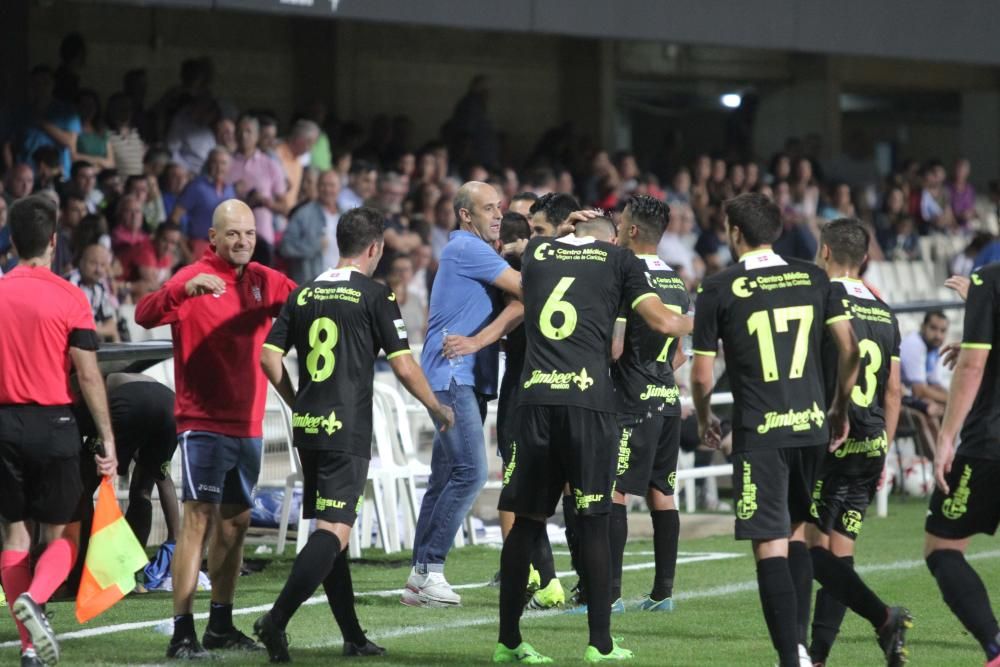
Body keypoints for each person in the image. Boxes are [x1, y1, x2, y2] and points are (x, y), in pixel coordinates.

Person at [252, 206, 455, 662]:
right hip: (346, 428)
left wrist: (296, 401)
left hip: (308, 428)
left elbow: (269, 359)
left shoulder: (302, 293)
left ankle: (352, 636)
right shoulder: (376, 295)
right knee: (334, 531)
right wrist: (434, 405)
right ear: (375, 248)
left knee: (331, 531)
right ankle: (276, 620)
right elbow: (403, 364)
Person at [495, 211, 691, 663]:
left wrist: (564, 228)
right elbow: (661, 321)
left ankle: (507, 641)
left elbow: (546, 245)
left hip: (535, 400)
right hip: (588, 402)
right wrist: (711, 322)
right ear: (610, 238)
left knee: (525, 523)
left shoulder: (540, 253)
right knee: (595, 520)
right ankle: (600, 642)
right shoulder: (620, 260)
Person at [690, 192, 860, 667]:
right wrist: (838, 407)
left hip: (760, 433)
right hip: (810, 427)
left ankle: (791, 658)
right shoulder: (814, 276)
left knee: (769, 544)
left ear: (735, 233)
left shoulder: (718, 288)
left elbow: (702, 376)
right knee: (800, 532)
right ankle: (802, 649)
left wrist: (706, 421)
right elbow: (851, 350)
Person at [135, 199, 295, 659]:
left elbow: (303, 306)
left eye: (248, 233)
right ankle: (181, 631)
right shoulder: (191, 277)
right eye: (232, 234)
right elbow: (144, 314)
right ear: (213, 238)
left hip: (248, 423)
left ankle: (220, 625)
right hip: (203, 422)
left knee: (236, 524)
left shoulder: (267, 281)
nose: (242, 241)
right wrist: (181, 294)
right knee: (197, 522)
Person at [0, 194, 117, 667]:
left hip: (3, 424)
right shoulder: (71, 296)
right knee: (62, 537)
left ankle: (30, 647)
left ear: (11, 241)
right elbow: (88, 374)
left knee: (14, 537)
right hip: (55, 425)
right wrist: (107, 437)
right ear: (53, 242)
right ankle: (40, 600)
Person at [402, 181, 522, 607]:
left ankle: (419, 577)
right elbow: (530, 292)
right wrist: (480, 341)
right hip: (455, 375)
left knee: (443, 479)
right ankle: (431, 569)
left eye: (500, 208)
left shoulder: (476, 252)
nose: (497, 216)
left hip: (455, 375)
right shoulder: (467, 250)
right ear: (465, 216)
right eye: (488, 209)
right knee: (471, 472)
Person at [806, 218, 911, 666]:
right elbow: (893, 391)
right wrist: (884, 446)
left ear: (825, 252)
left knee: (803, 546)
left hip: (831, 439)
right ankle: (819, 655)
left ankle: (884, 617)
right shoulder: (884, 310)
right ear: (864, 258)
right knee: (840, 553)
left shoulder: (823, 298)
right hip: (870, 444)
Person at [608, 195, 691, 614]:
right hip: (667, 397)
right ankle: (663, 594)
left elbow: (617, 346)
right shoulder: (676, 281)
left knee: (616, 490)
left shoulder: (628, 273)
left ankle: (610, 597)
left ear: (634, 231)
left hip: (632, 399)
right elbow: (680, 353)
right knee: (662, 491)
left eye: (621, 224)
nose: (617, 230)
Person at [924, 262, 1000, 667]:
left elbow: (972, 367)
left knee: (943, 548)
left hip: (989, 443)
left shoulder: (990, 279)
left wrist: (944, 437)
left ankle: (995, 647)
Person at [228, 115, 288, 267]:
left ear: (257, 136)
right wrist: (233, 192)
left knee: (262, 288)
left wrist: (266, 202)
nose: (243, 136)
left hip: (261, 238)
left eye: (248, 131)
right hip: (231, 240)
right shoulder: (226, 163)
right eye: (240, 131)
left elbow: (285, 207)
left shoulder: (269, 165)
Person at [169, 147, 235, 260]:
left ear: (228, 166)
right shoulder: (196, 186)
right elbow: (174, 218)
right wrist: (186, 252)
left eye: (223, 163)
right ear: (208, 164)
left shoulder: (230, 189)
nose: (219, 167)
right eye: (215, 162)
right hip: (199, 248)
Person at [281, 170, 340, 285]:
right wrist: (313, 246)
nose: (327, 189)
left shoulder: (346, 215)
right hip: (312, 286)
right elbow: (285, 246)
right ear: (317, 187)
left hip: (341, 285)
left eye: (331, 185)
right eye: (323, 185)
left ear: (339, 188)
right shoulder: (303, 214)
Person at [899, 311, 949, 414]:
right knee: (931, 410)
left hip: (909, 395)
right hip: (897, 395)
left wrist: (955, 398)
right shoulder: (914, 344)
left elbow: (934, 385)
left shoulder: (933, 348)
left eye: (943, 331)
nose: (938, 335)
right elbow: (920, 391)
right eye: (933, 328)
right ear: (923, 327)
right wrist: (953, 400)